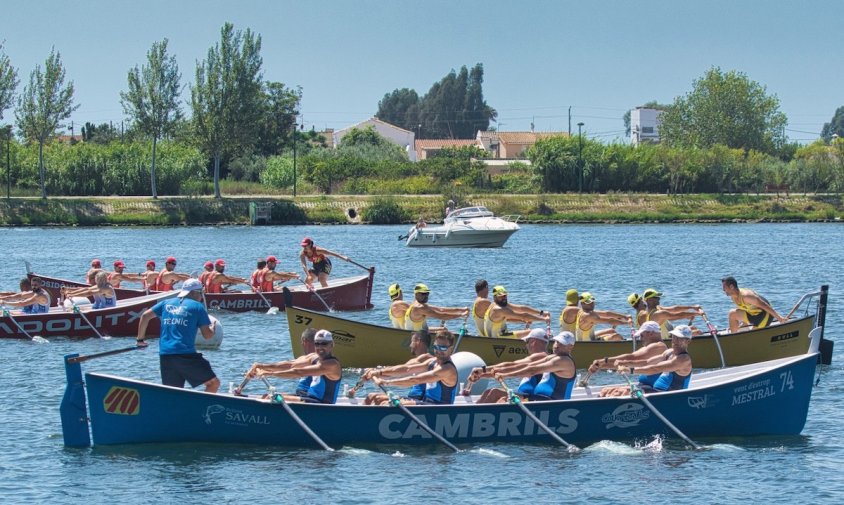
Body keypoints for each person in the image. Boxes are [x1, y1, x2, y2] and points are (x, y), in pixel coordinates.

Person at [136, 279, 220, 393]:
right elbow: (207, 336)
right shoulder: (197, 307)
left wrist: (140, 340)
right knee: (213, 383)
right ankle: (200, 410)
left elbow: (145, 316)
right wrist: (213, 329)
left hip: (165, 355)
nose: (201, 296)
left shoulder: (166, 303)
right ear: (194, 293)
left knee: (173, 393)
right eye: (201, 293)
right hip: (185, 355)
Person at [249, 329, 342, 404]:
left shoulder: (332, 364)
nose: (320, 347)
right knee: (266, 396)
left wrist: (270, 373)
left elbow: (299, 372)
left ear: (332, 345)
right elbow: (291, 365)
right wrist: (262, 366)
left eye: (324, 344)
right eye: (317, 344)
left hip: (321, 405)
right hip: (308, 399)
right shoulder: (314, 357)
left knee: (272, 397)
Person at [600, 325, 695, 397]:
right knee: (607, 390)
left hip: (668, 396)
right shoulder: (669, 352)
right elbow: (647, 362)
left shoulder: (683, 360)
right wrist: (624, 363)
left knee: (622, 392)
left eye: (680, 339)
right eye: (674, 337)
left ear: (688, 341)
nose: (675, 341)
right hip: (654, 391)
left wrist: (630, 370)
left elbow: (655, 368)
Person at [373, 330, 458, 405]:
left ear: (451, 349)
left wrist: (386, 382)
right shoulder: (432, 362)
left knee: (385, 404)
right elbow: (407, 369)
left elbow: (415, 380)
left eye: (443, 348)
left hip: (438, 408)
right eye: (436, 347)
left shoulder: (447, 369)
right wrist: (379, 372)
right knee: (374, 398)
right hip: (425, 403)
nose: (439, 351)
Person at [468, 327, 552, 403]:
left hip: (534, 399)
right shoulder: (539, 358)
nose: (526, 345)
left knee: (495, 393)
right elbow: (513, 370)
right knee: (489, 392)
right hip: (525, 396)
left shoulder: (541, 356)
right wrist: (481, 375)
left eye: (527, 341)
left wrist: (483, 369)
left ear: (533, 342)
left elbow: (512, 365)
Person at [489, 331, 577, 402]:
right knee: (497, 394)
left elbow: (532, 370)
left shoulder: (564, 361)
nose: (557, 345)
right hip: (538, 398)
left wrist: (505, 375)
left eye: (562, 343)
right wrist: (499, 370)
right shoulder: (553, 357)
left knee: (503, 400)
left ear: (570, 347)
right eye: (556, 341)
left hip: (552, 403)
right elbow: (529, 365)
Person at [588, 320, 668, 395]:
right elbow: (626, 363)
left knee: (619, 393)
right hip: (643, 385)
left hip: (654, 389)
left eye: (642, 335)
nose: (640, 338)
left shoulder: (659, 346)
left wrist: (604, 360)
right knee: (605, 391)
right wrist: (600, 366)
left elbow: (632, 358)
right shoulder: (647, 347)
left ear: (651, 333)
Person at [360, 331, 434, 405]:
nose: (410, 345)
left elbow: (404, 369)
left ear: (418, 341)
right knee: (371, 396)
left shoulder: (426, 358)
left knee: (379, 399)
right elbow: (396, 372)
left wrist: (378, 372)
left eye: (412, 341)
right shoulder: (416, 360)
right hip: (411, 397)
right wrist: (374, 373)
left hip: (419, 400)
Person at [244, 328, 319, 396]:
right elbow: (287, 365)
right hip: (302, 395)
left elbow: (291, 366)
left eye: (302, 342)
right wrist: (261, 370)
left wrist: (262, 367)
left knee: (268, 397)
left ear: (305, 341)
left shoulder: (316, 358)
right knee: (266, 396)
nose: (302, 345)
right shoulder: (304, 358)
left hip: (309, 398)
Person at [722, 276, 786, 333]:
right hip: (753, 315)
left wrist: (779, 318)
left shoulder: (746, 296)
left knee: (750, 336)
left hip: (764, 316)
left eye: (724, 287)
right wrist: (744, 323)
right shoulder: (733, 296)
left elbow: (765, 306)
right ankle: (733, 338)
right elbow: (746, 308)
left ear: (731, 287)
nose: (723, 290)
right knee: (732, 313)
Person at [483, 285, 550, 339]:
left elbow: (521, 308)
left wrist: (541, 313)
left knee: (527, 332)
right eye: (501, 296)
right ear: (495, 297)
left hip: (500, 335)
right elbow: (524, 316)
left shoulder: (496, 304)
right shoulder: (498, 309)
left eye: (505, 295)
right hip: (497, 339)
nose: (504, 298)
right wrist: (544, 319)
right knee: (533, 332)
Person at [638, 288, 703, 337]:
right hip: (667, 340)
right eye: (656, 297)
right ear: (649, 300)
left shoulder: (652, 310)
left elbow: (674, 309)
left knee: (693, 328)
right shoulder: (658, 314)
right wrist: (697, 313)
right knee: (697, 332)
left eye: (658, 297)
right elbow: (676, 315)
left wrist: (692, 307)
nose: (659, 299)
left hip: (670, 334)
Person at [404, 283, 468, 332]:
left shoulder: (415, 304)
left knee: (443, 329)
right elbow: (441, 316)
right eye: (423, 294)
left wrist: (462, 309)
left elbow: (441, 309)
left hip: (420, 332)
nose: (426, 296)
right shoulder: (419, 307)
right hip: (416, 337)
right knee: (444, 333)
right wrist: (461, 315)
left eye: (427, 293)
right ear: (416, 294)